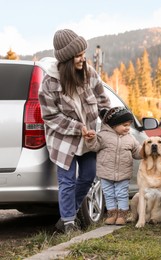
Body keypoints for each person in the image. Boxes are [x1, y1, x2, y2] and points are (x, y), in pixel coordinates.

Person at [38, 29, 111, 233]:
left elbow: (103, 101)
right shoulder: (49, 83)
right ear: (68, 59)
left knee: (88, 175)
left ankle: (67, 215)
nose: (82, 59)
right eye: (78, 55)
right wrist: (78, 128)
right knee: (67, 180)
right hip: (63, 139)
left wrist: (106, 121)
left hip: (88, 139)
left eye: (83, 53)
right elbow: (50, 117)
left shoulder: (90, 73)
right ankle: (69, 222)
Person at [83, 106, 142, 225]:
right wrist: (91, 139)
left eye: (129, 125)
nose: (127, 128)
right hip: (106, 172)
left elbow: (137, 152)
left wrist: (145, 151)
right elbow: (94, 146)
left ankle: (122, 215)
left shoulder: (130, 138)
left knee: (121, 194)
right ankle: (111, 214)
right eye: (124, 125)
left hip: (123, 172)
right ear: (114, 124)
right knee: (108, 194)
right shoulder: (103, 136)